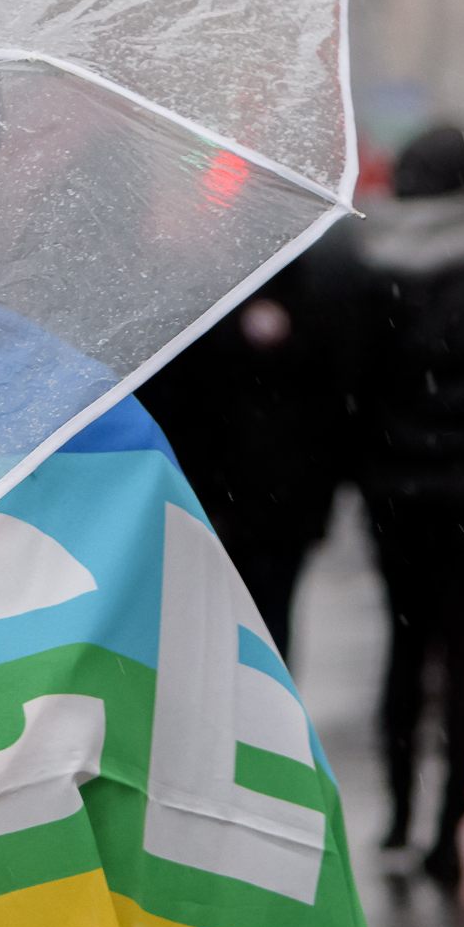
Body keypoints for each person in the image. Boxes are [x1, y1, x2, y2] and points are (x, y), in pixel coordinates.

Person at [330, 125, 464, 887]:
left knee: (403, 647)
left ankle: (397, 816)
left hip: (395, 488)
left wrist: (355, 469)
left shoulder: (369, 265)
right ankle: (452, 823)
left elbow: (352, 386)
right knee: (461, 654)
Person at [140, 254, 344, 656]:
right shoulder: (212, 301)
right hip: (247, 499)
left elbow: (330, 407)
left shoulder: (217, 297)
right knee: (252, 620)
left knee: (250, 619)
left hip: (264, 500)